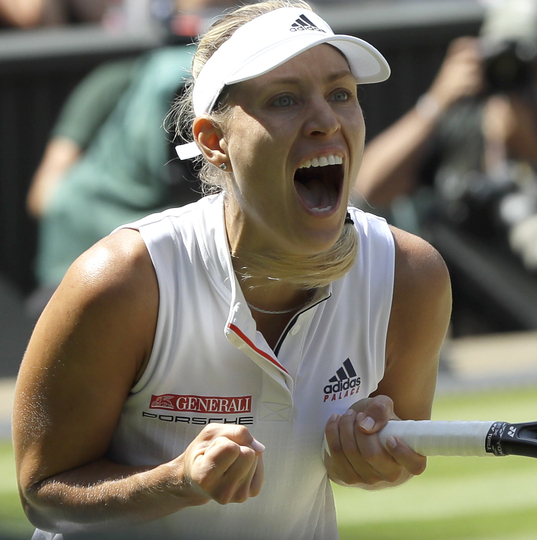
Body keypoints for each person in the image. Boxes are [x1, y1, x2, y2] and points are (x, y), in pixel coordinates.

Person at [13, 2, 452, 539]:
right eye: (285, 99)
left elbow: (399, 455)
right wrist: (176, 481)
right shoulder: (123, 280)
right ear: (213, 142)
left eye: (341, 94)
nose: (326, 121)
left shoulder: (410, 277)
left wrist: (366, 462)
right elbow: (44, 493)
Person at [354, 0, 537, 289]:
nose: (516, 69)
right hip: (464, 288)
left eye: (531, 58)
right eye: (504, 56)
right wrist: (436, 103)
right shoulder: (460, 120)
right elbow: (368, 188)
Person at [24, 0, 241, 318]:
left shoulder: (237, 88)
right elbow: (42, 196)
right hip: (77, 277)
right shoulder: (113, 84)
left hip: (183, 281)